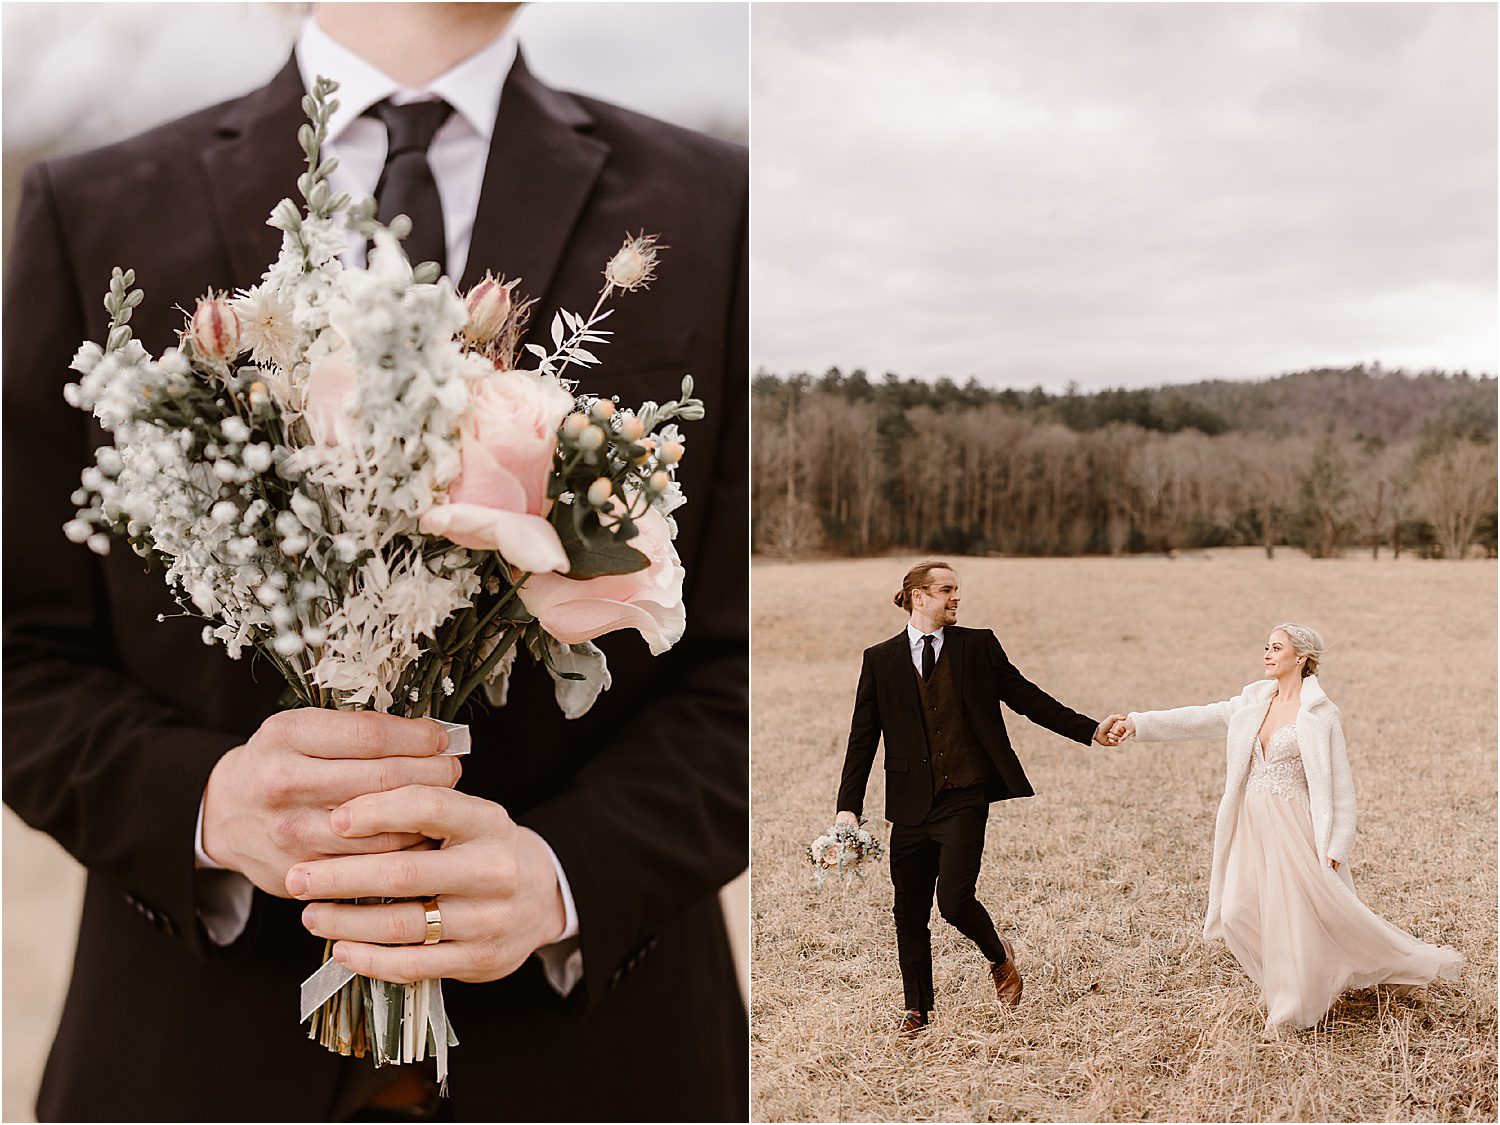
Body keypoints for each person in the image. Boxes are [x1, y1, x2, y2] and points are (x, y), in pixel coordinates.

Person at [2, 4, 747, 1119]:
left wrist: (566, 877)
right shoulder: (90, 206)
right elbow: (20, 648)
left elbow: (760, 661)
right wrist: (207, 808)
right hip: (189, 1061)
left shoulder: (717, 204)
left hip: (600, 1060)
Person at [1112, 623, 1463, 1035]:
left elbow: (1339, 785)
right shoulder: (1252, 702)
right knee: (1237, 910)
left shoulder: (1320, 715)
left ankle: (1291, 1005)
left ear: (1300, 658)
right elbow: (1199, 718)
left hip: (1295, 826)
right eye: (1266, 646)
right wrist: (1138, 723)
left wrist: (1337, 842)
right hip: (1250, 823)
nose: (1266, 653)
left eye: (1276, 648)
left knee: (1296, 915)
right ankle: (1297, 981)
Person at [834, 560, 1124, 1035]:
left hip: (964, 793)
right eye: (946, 590)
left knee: (953, 900)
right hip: (909, 803)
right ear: (918, 596)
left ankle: (997, 955)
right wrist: (849, 806)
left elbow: (1029, 699)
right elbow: (862, 738)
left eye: (957, 590)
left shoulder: (978, 646)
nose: (956, 598)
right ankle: (917, 1010)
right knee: (908, 910)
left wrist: (1090, 730)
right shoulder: (879, 660)